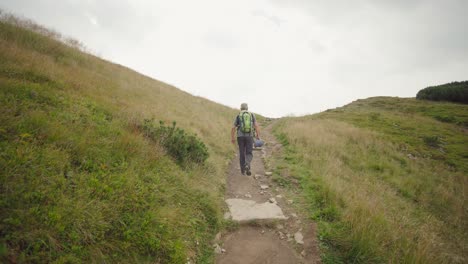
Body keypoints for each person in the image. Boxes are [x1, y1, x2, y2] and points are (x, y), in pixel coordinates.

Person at [231, 103, 260, 176]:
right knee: (249, 152)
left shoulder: (238, 115)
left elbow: (233, 127)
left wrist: (232, 138)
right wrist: (257, 135)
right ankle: (247, 165)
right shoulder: (251, 115)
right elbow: (256, 125)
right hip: (249, 136)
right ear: (247, 108)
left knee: (242, 153)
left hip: (240, 137)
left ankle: (243, 171)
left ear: (241, 108)